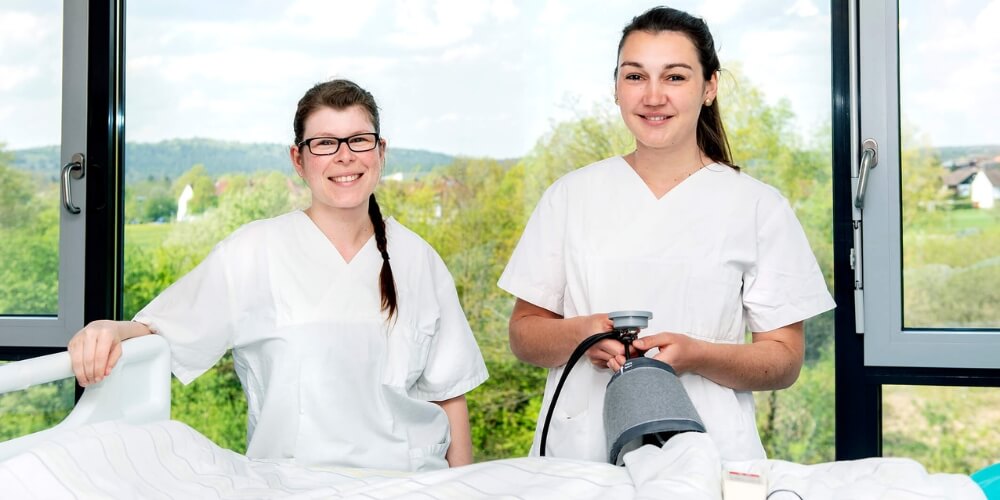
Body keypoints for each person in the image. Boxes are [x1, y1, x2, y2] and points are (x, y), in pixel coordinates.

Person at [68, 79, 489, 472]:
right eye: (325, 143)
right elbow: (166, 330)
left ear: (380, 152)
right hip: (291, 485)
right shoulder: (255, 252)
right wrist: (109, 329)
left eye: (358, 140)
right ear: (298, 159)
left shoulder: (419, 260)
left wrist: (462, 489)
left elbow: (449, 394)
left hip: (411, 485)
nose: (345, 156)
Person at [498, 6, 835, 463]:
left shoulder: (758, 207)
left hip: (712, 450)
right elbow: (524, 335)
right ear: (616, 88)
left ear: (710, 86)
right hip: (580, 453)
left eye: (674, 77)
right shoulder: (570, 196)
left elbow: (783, 361)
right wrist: (582, 336)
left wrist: (697, 355)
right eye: (635, 77)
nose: (653, 96)